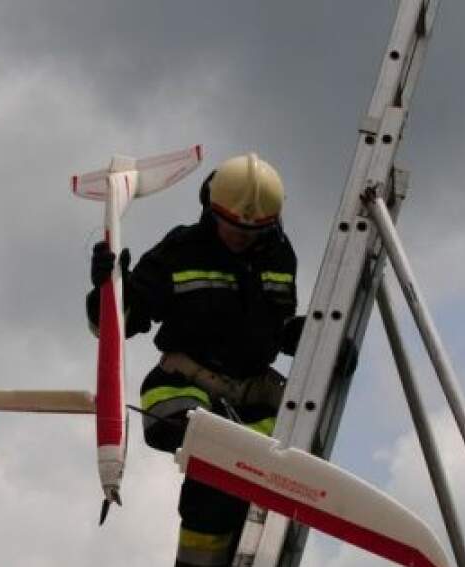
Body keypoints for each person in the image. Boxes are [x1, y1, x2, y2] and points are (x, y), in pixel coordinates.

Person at [86, 153, 305, 566]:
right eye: (233, 225)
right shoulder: (180, 250)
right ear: (211, 209)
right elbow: (117, 325)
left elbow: (277, 326)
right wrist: (107, 290)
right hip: (183, 388)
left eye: (253, 229)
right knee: (214, 477)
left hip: (252, 396)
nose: (241, 236)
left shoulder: (279, 256)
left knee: (276, 481)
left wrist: (312, 335)